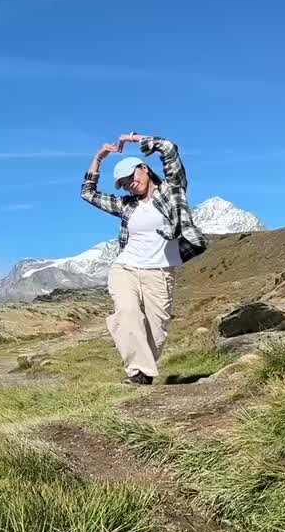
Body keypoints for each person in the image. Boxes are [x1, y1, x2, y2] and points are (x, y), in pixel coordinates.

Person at [82, 133, 207, 385]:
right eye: (123, 183)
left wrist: (133, 138)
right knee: (127, 312)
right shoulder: (127, 205)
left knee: (156, 331)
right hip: (125, 267)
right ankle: (139, 374)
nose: (129, 184)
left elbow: (169, 148)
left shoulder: (172, 190)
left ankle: (144, 371)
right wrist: (98, 159)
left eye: (131, 177)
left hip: (160, 272)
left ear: (144, 169)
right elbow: (88, 193)